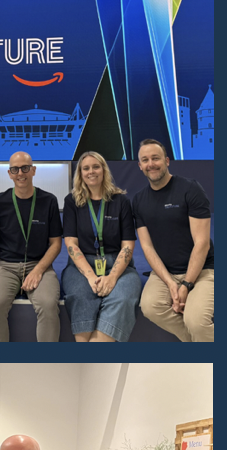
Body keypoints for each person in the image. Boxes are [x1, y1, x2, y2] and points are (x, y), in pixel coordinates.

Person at [131, 139, 214, 343]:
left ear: (167, 161)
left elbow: (202, 242)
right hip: (165, 272)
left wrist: (186, 284)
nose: (151, 163)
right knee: (150, 307)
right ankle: (195, 343)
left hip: (202, 270)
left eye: (156, 158)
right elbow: (147, 247)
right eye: (145, 160)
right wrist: (170, 282)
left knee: (196, 322)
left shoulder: (190, 189)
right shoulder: (139, 201)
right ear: (140, 166)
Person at [59, 150, 143, 342]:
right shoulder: (71, 201)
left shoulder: (121, 201)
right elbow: (71, 244)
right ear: (79, 173)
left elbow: (128, 245)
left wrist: (113, 277)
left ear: (104, 170)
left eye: (96, 166)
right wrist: (89, 275)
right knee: (80, 297)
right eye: (85, 168)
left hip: (118, 265)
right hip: (82, 266)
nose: (91, 172)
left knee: (123, 299)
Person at [0, 152, 64, 342]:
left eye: (25, 168)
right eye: (15, 169)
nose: (21, 173)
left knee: (48, 305)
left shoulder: (49, 201)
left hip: (39, 264)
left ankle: (45, 365)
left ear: (33, 170)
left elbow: (56, 243)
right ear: (9, 173)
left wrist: (38, 270)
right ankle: (0, 366)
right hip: (3, 265)